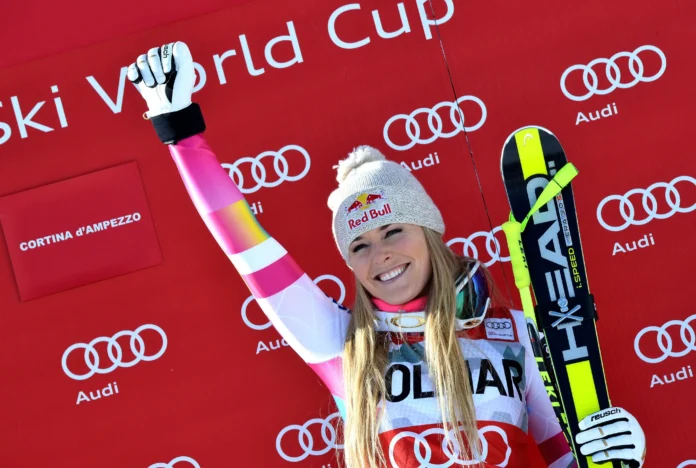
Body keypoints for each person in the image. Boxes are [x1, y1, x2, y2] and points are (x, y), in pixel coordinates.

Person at [126, 41, 647, 468]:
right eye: (359, 245)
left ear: (429, 231)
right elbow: (247, 246)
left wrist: (613, 456)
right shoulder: (341, 341)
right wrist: (181, 133)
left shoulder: (510, 334)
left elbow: (560, 455)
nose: (380, 254)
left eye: (393, 230)